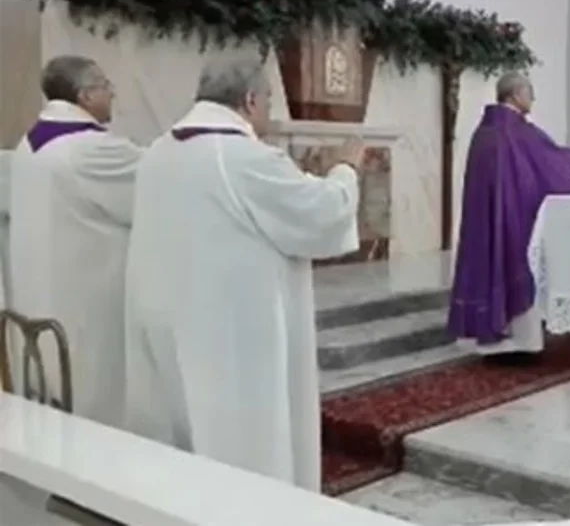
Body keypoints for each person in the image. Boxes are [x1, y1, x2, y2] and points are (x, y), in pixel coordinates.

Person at [122, 54, 363, 490]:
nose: (269, 111)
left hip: (173, 327)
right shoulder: (240, 155)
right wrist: (346, 169)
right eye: (269, 100)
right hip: (230, 341)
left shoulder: (160, 149)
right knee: (244, 455)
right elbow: (322, 212)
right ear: (250, 99)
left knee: (186, 443)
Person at [8, 55, 142, 426]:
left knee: (54, 396)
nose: (112, 93)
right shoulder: (91, 149)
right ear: (84, 96)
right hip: (88, 305)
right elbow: (160, 190)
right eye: (105, 86)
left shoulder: (30, 140)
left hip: (42, 296)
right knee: (95, 406)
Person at [449, 72, 570, 362]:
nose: (533, 99)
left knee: (490, 264)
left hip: (486, 219)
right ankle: (518, 345)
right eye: (530, 92)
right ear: (515, 95)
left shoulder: (484, 131)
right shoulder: (517, 131)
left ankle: (490, 340)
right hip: (515, 219)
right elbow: (552, 164)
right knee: (516, 265)